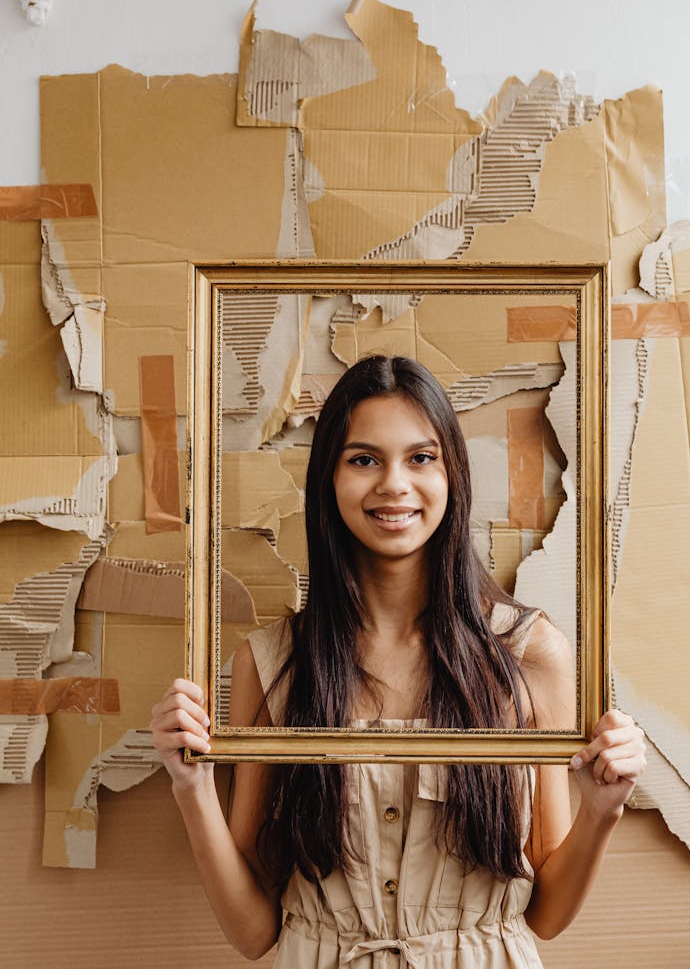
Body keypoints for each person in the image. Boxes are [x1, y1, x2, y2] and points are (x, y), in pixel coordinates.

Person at [152, 354, 646, 966]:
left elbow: (545, 915)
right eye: (364, 459)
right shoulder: (273, 661)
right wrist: (193, 789)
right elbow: (254, 933)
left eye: (420, 458)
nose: (393, 484)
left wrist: (603, 809)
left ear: (452, 476)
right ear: (330, 480)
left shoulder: (528, 653)